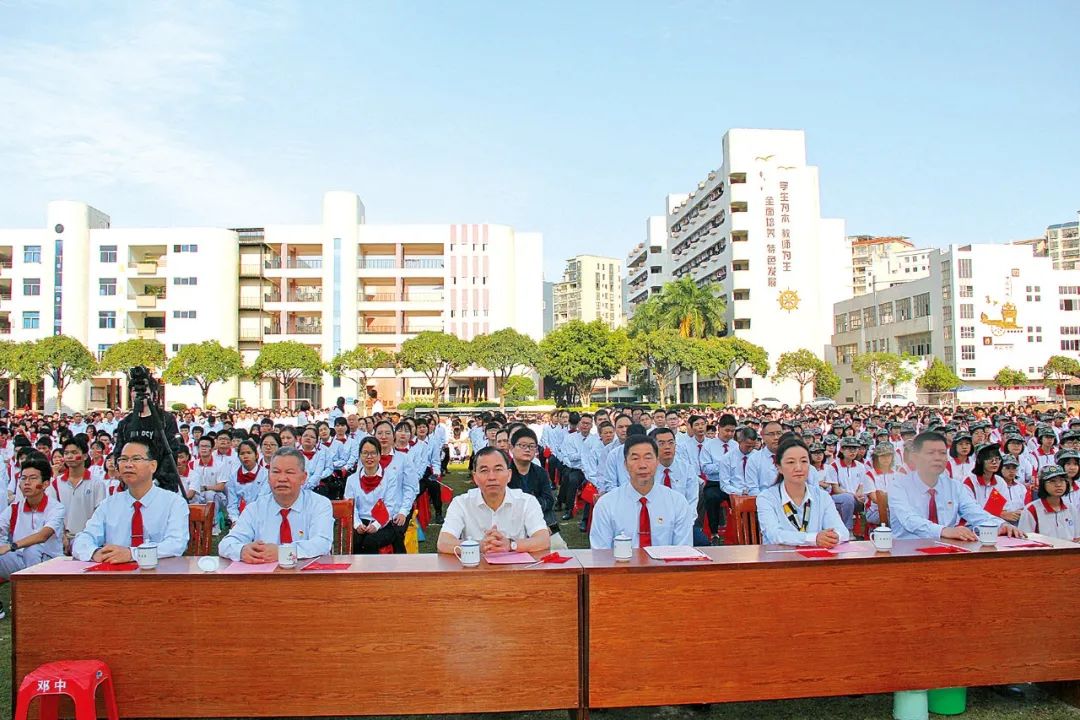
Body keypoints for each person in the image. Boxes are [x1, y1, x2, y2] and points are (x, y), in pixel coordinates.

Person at [888, 431, 1026, 541]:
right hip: (907, 550)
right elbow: (909, 520)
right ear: (915, 457)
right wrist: (944, 531)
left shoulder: (954, 486)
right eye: (930, 453)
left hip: (946, 549)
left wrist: (1001, 524)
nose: (938, 458)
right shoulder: (899, 485)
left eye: (942, 453)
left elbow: (974, 512)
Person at [72, 439, 190, 562]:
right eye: (123, 459)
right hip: (116, 576)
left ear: (153, 466)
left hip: (160, 575)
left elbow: (176, 544)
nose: (128, 464)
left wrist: (132, 554)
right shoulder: (109, 504)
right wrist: (94, 553)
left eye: (136, 459)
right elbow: (84, 538)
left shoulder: (174, 503)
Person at [219, 447, 333, 563]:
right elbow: (226, 544)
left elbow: (322, 543)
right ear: (268, 476)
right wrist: (242, 551)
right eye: (276, 472)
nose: (282, 479)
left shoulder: (319, 504)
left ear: (303, 478)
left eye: (289, 472)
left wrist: (283, 553)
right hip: (265, 578)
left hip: (310, 577)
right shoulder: (255, 508)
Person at [437, 447, 551, 556]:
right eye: (484, 470)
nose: (491, 477)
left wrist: (511, 545)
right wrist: (481, 546)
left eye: (498, 469)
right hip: (475, 572)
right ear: (475, 477)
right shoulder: (461, 503)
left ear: (509, 475)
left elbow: (543, 540)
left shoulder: (526, 501)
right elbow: (444, 543)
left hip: (516, 571)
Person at [589, 435, 694, 549]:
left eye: (648, 458)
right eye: (635, 458)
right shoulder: (607, 505)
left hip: (665, 566)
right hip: (621, 566)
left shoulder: (677, 503)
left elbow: (683, 552)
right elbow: (601, 554)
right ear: (625, 464)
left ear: (657, 461)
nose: (642, 465)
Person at [756, 438, 849, 547]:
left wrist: (833, 537)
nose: (799, 468)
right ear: (779, 467)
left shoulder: (822, 496)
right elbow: (774, 535)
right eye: (791, 462)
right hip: (780, 560)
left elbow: (843, 531)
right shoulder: (767, 498)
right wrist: (814, 539)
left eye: (804, 461)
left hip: (814, 560)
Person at [0, 452, 66, 594]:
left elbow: (43, 536)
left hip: (50, 563)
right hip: (21, 559)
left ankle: (35, 595)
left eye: (33, 478)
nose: (27, 483)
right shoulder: (14, 508)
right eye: (23, 479)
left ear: (45, 484)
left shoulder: (56, 507)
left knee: (32, 550)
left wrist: (11, 546)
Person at [344, 437, 404, 554]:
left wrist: (376, 525)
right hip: (361, 522)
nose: (369, 457)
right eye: (365, 453)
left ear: (379, 455)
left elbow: (390, 506)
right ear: (360, 455)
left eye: (373, 453)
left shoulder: (389, 477)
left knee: (370, 542)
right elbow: (350, 506)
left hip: (384, 523)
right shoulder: (352, 480)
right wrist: (357, 524)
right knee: (356, 541)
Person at [51, 436, 107, 551]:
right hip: (62, 541)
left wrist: (86, 538)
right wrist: (62, 536)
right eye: (66, 453)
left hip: (88, 541)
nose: (69, 456)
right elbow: (53, 514)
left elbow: (99, 515)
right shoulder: (56, 483)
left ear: (85, 456)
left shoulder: (97, 484)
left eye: (74, 452)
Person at [1018, 465, 1078, 540]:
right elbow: (1024, 540)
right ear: (1043, 484)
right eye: (1052, 481)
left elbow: (1077, 537)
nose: (1058, 485)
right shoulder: (1031, 510)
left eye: (1062, 480)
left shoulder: (1071, 508)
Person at [226, 439, 269, 524]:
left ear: (256, 455)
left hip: (260, 517)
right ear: (238, 456)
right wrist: (235, 520)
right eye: (242, 453)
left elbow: (262, 500)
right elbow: (232, 503)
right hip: (239, 518)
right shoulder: (233, 477)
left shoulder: (266, 475)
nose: (245, 456)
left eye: (249, 453)